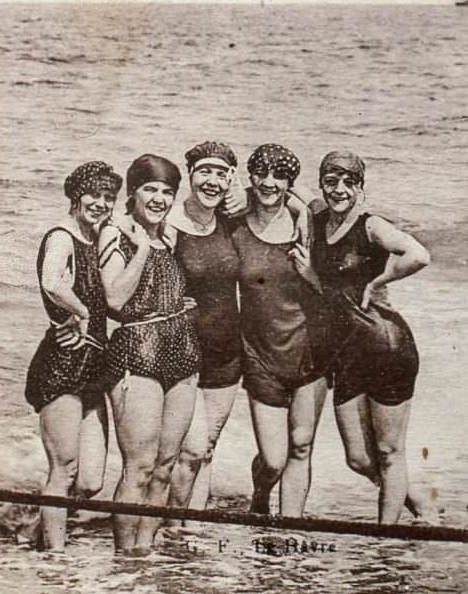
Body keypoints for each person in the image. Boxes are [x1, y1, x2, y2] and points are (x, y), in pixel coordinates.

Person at [308, 151, 431, 523]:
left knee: (389, 450)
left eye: (349, 182)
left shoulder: (371, 225)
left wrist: (379, 280)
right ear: (322, 184)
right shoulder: (318, 219)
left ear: (361, 187)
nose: (339, 189)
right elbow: (284, 197)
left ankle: (387, 535)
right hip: (347, 351)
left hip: (386, 345)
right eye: (332, 181)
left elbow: (418, 254)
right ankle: (422, 506)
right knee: (359, 458)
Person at [98, 154, 199, 554]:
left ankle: (147, 552)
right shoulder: (115, 233)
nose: (158, 199)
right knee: (138, 468)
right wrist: (140, 248)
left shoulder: (169, 236)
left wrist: (177, 301)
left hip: (182, 351)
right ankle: (126, 557)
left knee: (165, 466)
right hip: (137, 352)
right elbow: (115, 298)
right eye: (150, 189)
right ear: (133, 192)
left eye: (167, 192)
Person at [25, 161, 120, 551]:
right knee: (63, 470)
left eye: (108, 198)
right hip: (62, 362)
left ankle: (36, 530)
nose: (100, 203)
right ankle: (55, 562)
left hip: (94, 365)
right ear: (74, 195)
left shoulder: (95, 237)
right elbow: (51, 282)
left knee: (91, 482)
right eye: (93, 194)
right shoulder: (62, 236)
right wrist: (80, 313)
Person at [231, 144, 328, 517]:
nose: (269, 183)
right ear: (250, 176)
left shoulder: (310, 224)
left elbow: (333, 292)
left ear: (291, 181)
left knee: (301, 445)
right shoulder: (235, 226)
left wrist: (311, 274)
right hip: (260, 353)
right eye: (262, 174)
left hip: (309, 349)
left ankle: (291, 530)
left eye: (280, 175)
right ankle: (261, 492)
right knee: (274, 459)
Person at [165, 142, 244, 517]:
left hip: (227, 354)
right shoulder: (168, 223)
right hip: (182, 352)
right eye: (204, 171)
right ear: (190, 175)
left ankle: (190, 530)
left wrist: (242, 189)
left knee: (206, 451)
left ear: (231, 178)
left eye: (221, 173)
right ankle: (174, 524)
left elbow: (296, 202)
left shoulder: (232, 220)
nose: (212, 181)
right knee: (191, 449)